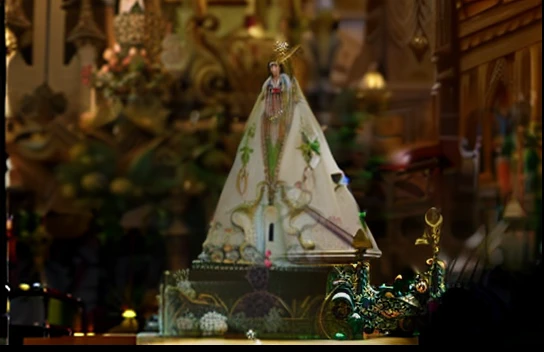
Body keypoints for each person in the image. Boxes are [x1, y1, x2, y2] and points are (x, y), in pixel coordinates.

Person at [198, 42, 381, 266]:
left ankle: (293, 244)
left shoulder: (294, 104)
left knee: (295, 205)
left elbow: (307, 139)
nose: (275, 72)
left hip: (290, 160)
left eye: (278, 68)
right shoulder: (267, 98)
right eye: (272, 67)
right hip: (268, 156)